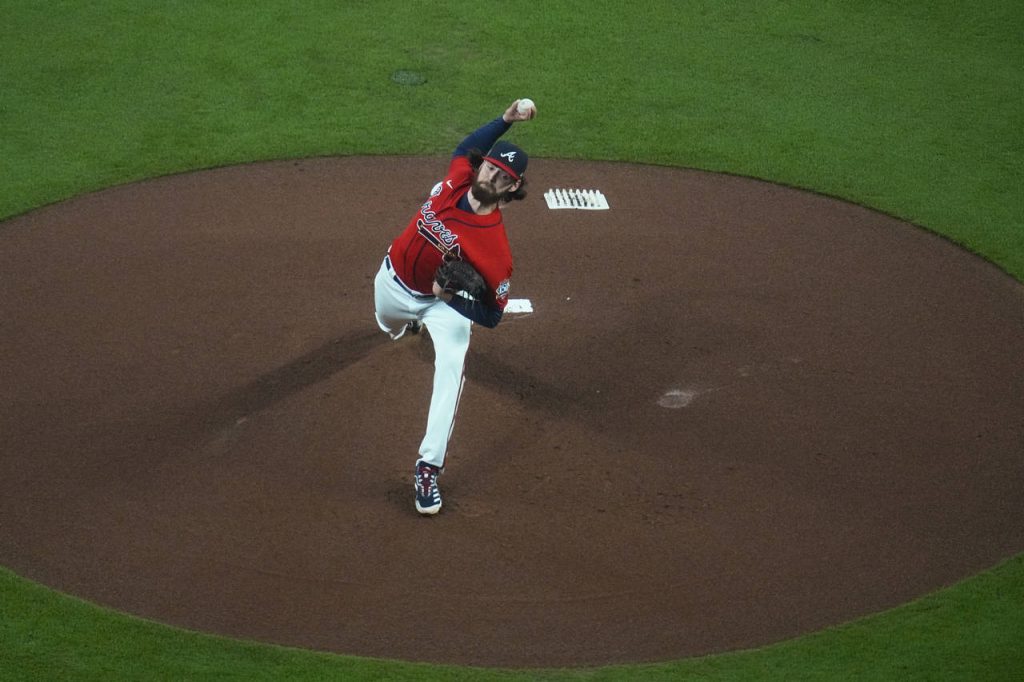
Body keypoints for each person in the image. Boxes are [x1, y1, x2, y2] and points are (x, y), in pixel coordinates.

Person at [373, 99, 536, 515]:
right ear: (481, 166)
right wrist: (505, 120)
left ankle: (428, 468)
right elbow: (466, 146)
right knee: (387, 325)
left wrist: (455, 298)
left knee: (451, 368)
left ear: (512, 189)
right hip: (391, 284)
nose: (493, 177)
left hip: (442, 304)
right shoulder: (458, 176)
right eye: (491, 168)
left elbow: (493, 315)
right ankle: (403, 327)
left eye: (504, 177)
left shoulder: (496, 252)